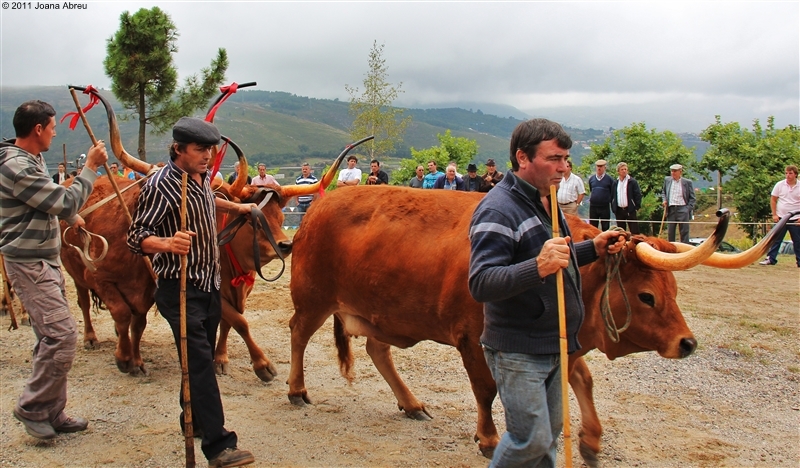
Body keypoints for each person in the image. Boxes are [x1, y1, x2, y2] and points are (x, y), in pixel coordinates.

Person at [468, 118, 625, 467]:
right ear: (523, 158)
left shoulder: (546, 200)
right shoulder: (498, 209)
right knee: (531, 439)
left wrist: (593, 249)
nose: (564, 167)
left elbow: (557, 258)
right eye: (554, 158)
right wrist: (536, 267)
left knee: (549, 434)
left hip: (555, 343)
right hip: (517, 348)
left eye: (566, 159)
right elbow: (481, 282)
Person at [126, 117, 255, 468]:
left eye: (211, 150)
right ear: (178, 149)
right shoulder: (160, 185)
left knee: (197, 362)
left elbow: (208, 203)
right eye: (200, 149)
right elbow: (135, 237)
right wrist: (167, 243)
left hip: (209, 286)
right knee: (199, 364)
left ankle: (196, 421)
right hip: (179, 289)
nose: (208, 156)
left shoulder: (199, 180)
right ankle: (219, 446)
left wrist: (240, 208)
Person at [0, 100, 108, 440]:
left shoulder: (31, 159)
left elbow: (45, 203)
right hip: (29, 262)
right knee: (62, 336)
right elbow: (62, 201)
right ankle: (32, 408)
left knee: (49, 338)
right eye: (52, 128)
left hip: (43, 259)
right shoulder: (17, 167)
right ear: (38, 130)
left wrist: (65, 214)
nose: (54, 133)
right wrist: (90, 168)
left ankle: (52, 411)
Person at [760, 165, 800, 266]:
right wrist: (774, 214)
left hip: (795, 219)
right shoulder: (779, 185)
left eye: (790, 173)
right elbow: (773, 199)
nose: (788, 175)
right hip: (781, 218)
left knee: (798, 241)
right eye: (786, 173)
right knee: (775, 239)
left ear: (795, 174)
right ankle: (770, 259)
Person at [661, 163, 695, 243]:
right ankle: (671, 250)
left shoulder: (687, 182)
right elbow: (664, 192)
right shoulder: (667, 180)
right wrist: (664, 200)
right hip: (671, 209)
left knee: (684, 232)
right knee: (670, 232)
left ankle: (685, 249)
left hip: (683, 208)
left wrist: (687, 209)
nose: (673, 173)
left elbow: (692, 198)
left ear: (680, 172)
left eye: (675, 171)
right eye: (672, 171)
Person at [611, 162, 643, 235]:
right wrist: (613, 207)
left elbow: (637, 194)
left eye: (625, 169)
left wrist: (636, 207)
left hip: (630, 209)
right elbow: (612, 196)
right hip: (619, 210)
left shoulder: (632, 182)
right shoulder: (615, 182)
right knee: (621, 231)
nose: (624, 171)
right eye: (622, 169)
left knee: (634, 230)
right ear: (618, 171)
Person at [588, 159, 613, 231]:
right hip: (593, 206)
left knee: (605, 226)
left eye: (601, 166)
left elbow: (612, 192)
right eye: (598, 166)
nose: (599, 168)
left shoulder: (609, 179)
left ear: (604, 167)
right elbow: (591, 190)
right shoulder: (592, 179)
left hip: (604, 207)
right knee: (593, 226)